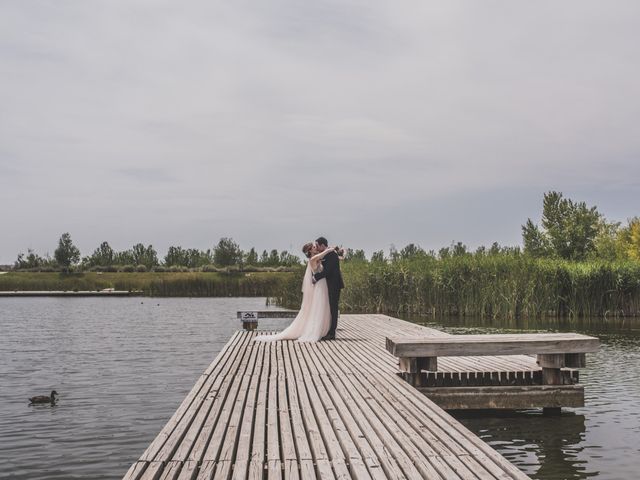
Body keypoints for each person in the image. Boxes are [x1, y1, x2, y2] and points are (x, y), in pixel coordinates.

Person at [254, 241, 336, 342]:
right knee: (319, 307)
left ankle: (323, 330)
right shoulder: (313, 259)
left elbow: (325, 259)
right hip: (319, 285)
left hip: (322, 284)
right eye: (314, 247)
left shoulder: (316, 257)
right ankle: (316, 330)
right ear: (310, 250)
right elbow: (323, 254)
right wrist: (330, 249)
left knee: (323, 307)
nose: (316, 248)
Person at [311, 236, 344, 340]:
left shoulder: (331, 254)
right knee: (330, 308)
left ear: (322, 245)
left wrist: (316, 277)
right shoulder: (327, 254)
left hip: (334, 284)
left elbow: (328, 271)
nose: (316, 247)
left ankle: (332, 333)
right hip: (329, 284)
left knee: (333, 308)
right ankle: (328, 330)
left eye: (317, 245)